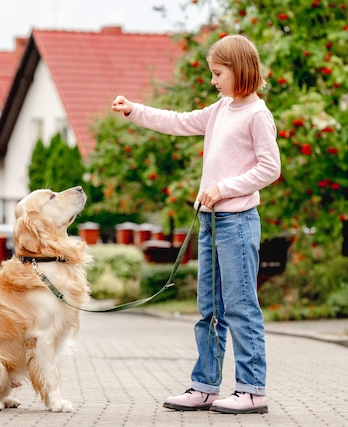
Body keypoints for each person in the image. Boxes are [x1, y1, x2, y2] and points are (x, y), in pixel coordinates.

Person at [110, 34, 281, 414]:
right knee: (209, 307)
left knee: (241, 307)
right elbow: (178, 121)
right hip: (210, 222)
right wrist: (134, 110)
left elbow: (271, 168)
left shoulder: (257, 114)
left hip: (237, 222)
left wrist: (223, 188)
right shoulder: (221, 109)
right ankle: (204, 386)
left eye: (218, 73)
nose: (213, 80)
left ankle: (252, 391)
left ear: (240, 70)